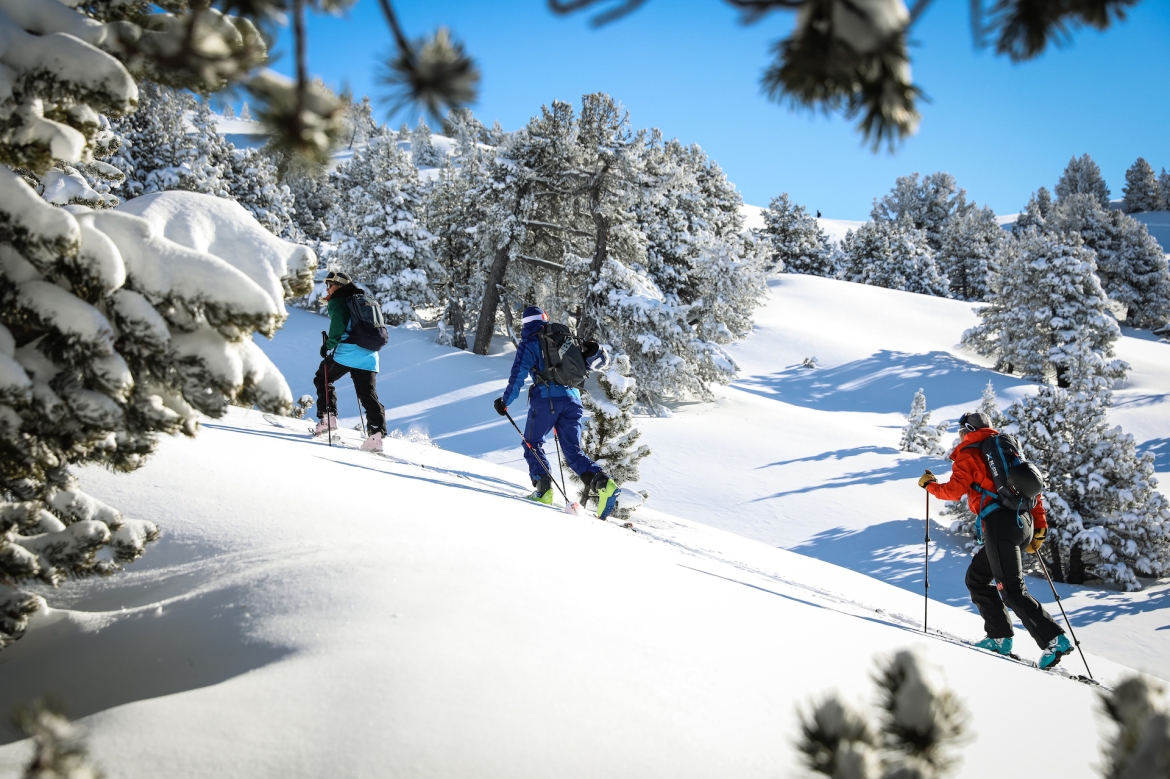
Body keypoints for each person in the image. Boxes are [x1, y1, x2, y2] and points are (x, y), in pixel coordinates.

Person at [919, 411, 1073, 669]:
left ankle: (1054, 640)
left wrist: (930, 486)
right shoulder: (1008, 451)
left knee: (1012, 590)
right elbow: (1032, 491)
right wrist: (1039, 528)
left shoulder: (970, 452)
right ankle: (999, 636)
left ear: (967, 430)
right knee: (977, 578)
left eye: (960, 432)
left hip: (1000, 526)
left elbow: (954, 490)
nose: (959, 436)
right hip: (1022, 524)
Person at [493, 306, 619, 518]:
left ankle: (544, 490)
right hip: (573, 400)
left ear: (525, 324)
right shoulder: (562, 337)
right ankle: (605, 484)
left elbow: (517, 377)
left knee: (532, 442)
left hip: (546, 400)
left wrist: (505, 402)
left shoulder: (529, 342)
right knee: (573, 451)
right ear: (545, 319)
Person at [313, 271, 386, 452]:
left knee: (323, 377)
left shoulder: (338, 301)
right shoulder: (364, 300)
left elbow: (337, 327)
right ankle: (376, 436)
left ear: (340, 285)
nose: (328, 288)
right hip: (370, 355)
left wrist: (327, 345)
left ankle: (328, 417)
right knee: (368, 395)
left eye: (330, 284)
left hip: (347, 352)